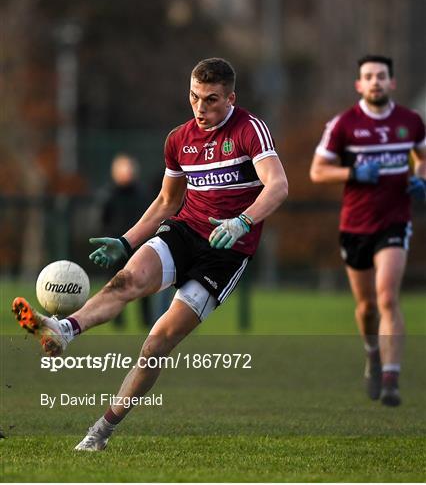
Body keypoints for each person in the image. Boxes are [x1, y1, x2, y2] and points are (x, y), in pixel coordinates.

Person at [12, 57, 288, 449]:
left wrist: (242, 221)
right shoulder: (179, 139)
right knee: (126, 281)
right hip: (186, 231)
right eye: (194, 97)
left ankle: (101, 431)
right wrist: (126, 241)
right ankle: (63, 329)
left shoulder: (249, 131)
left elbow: (277, 185)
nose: (201, 108)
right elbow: (165, 201)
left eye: (211, 100)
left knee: (156, 344)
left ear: (231, 98)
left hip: (225, 254)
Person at [310, 55, 426, 407]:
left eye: (381, 76)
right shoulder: (344, 124)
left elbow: (422, 156)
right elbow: (317, 171)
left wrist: (421, 177)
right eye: (368, 77)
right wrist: (353, 174)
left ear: (392, 82)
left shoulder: (411, 121)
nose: (375, 81)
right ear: (359, 85)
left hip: (394, 221)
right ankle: (373, 354)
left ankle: (391, 377)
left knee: (387, 296)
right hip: (355, 225)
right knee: (366, 308)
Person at [98, 153, 152, 328]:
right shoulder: (109, 194)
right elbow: (103, 219)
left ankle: (146, 320)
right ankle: (117, 319)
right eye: (123, 170)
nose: (127, 173)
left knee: (143, 283)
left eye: (130, 169)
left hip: (138, 244)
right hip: (115, 244)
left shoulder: (142, 193)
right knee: (116, 283)